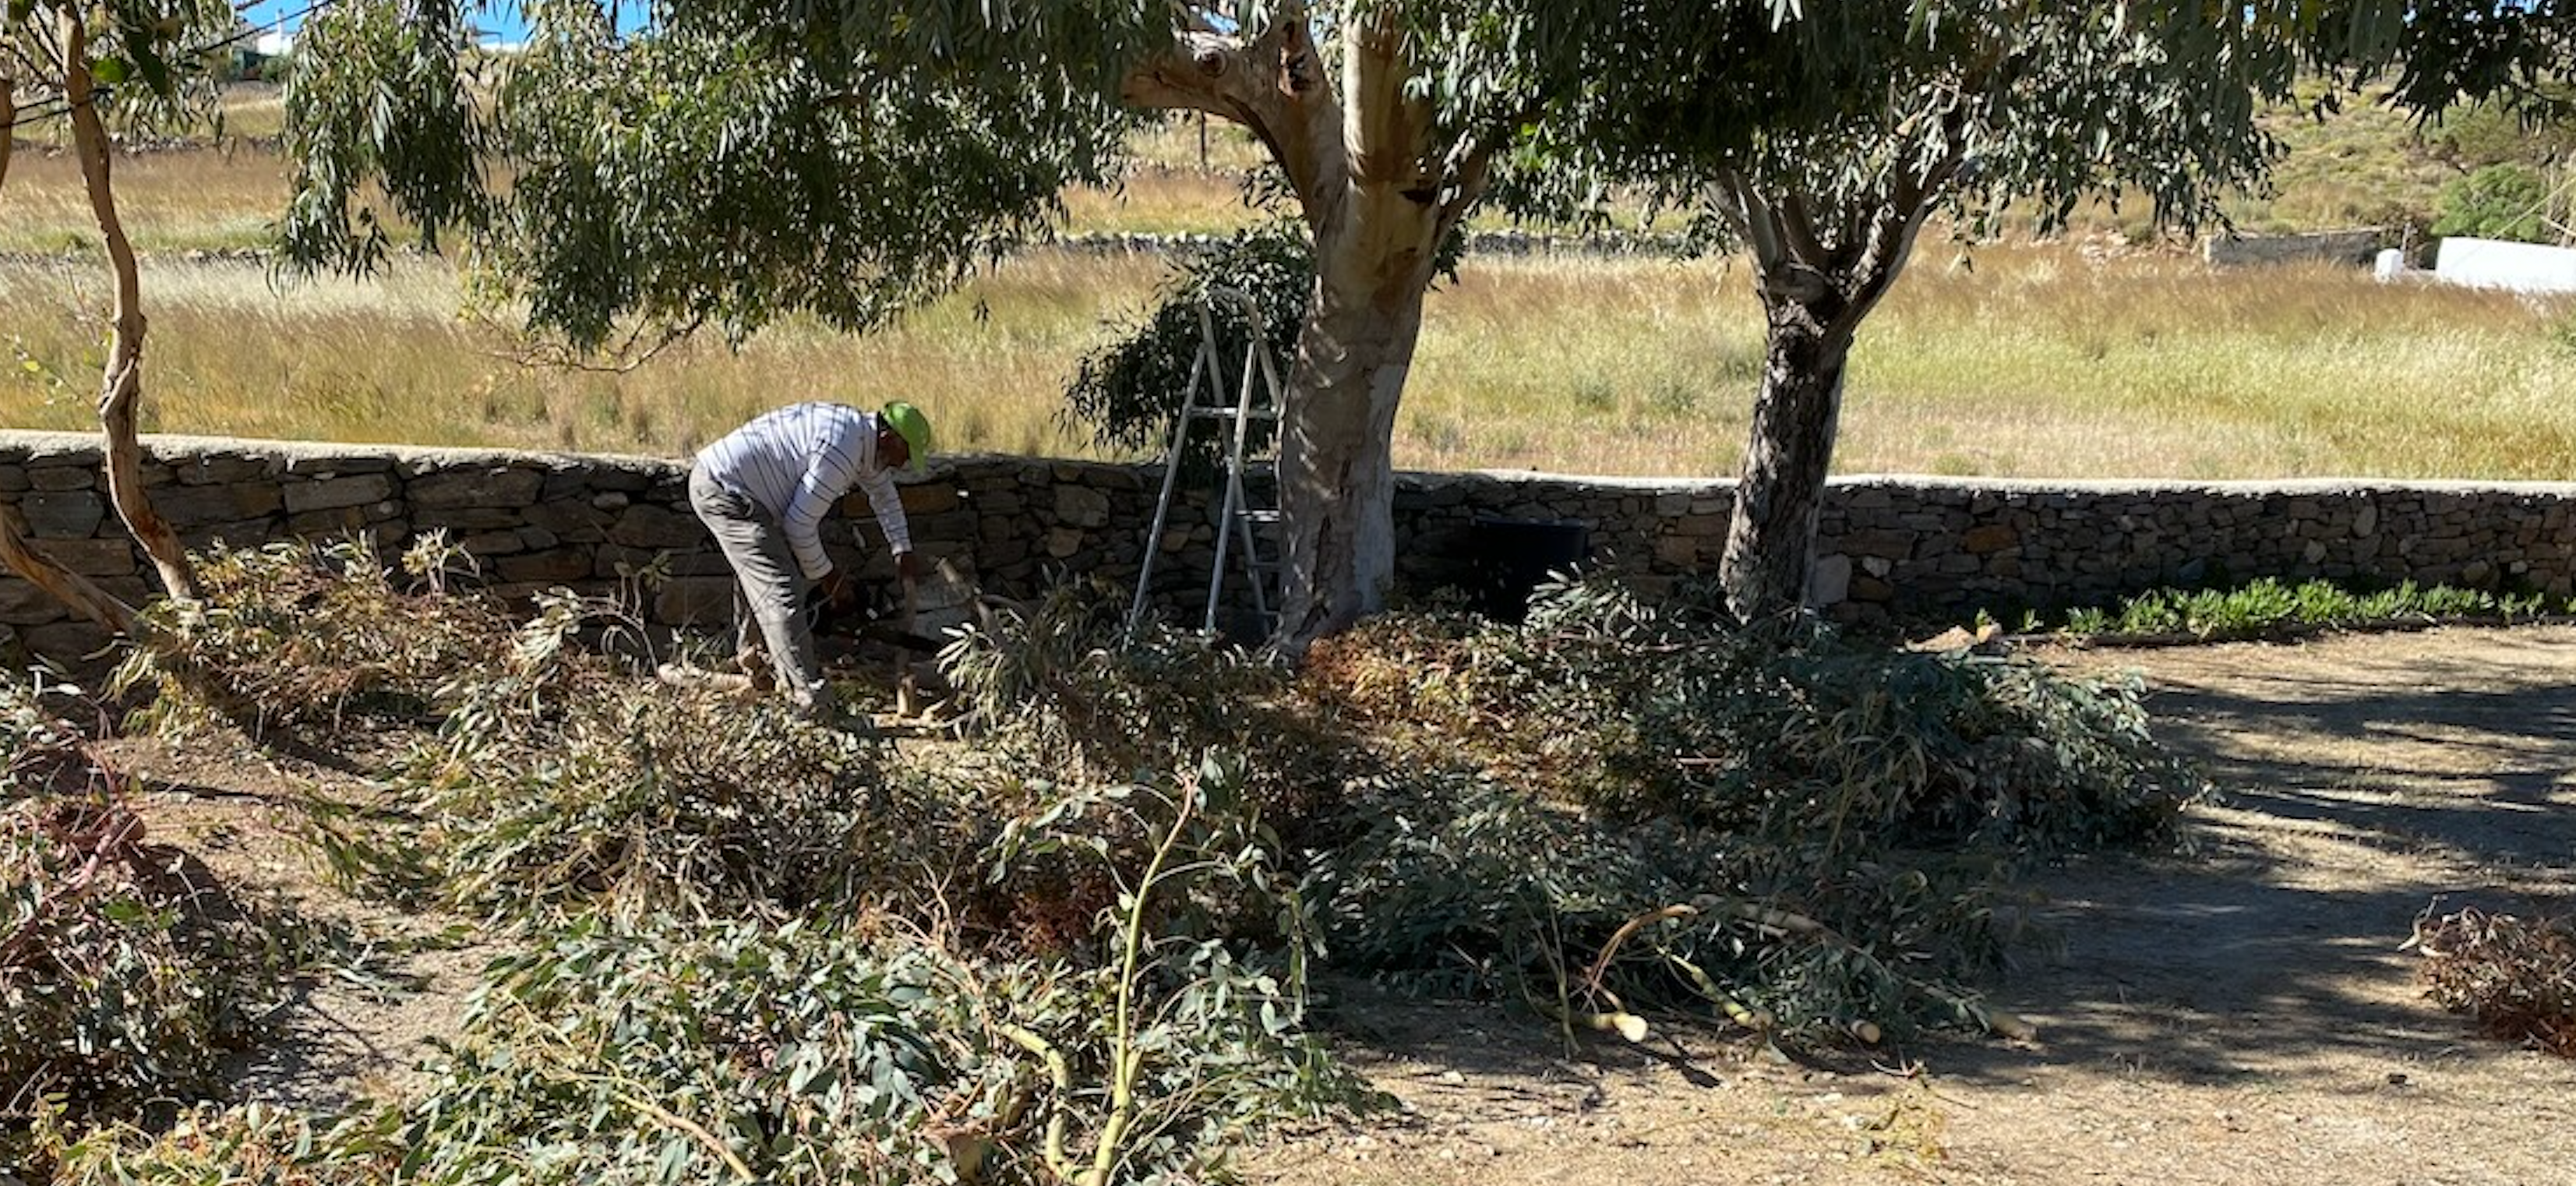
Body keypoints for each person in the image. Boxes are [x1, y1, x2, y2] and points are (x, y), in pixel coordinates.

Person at [689, 401, 931, 715]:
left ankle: (755, 661)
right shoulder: (842, 451)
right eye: (906, 455)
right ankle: (809, 699)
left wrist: (903, 550)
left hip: (737, 488)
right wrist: (830, 580)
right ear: (889, 439)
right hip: (726, 490)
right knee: (781, 589)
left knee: (765, 574)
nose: (902, 465)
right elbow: (799, 526)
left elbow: (884, 495)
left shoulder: (864, 445)